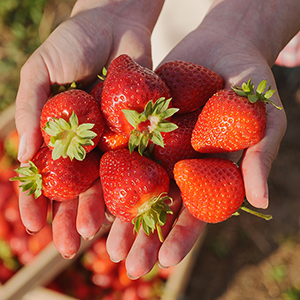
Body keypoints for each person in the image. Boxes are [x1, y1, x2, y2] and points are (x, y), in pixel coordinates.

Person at [15, 0, 300, 279]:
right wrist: (115, 7)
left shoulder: (145, 117)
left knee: (165, 69)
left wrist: (247, 25)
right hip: (156, 41)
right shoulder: (140, 113)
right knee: (164, 45)